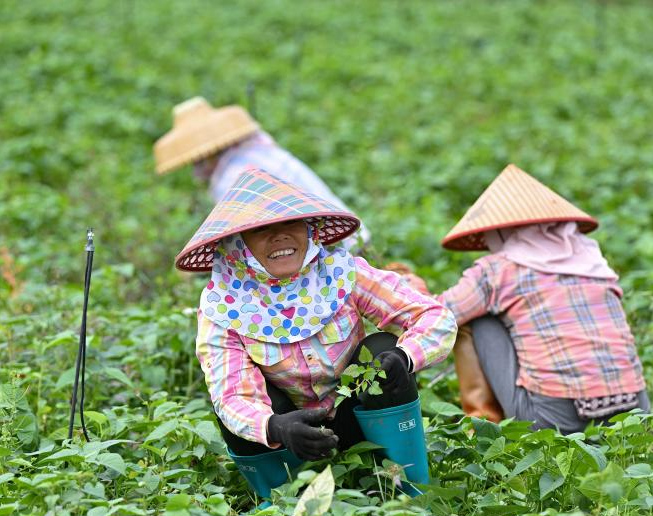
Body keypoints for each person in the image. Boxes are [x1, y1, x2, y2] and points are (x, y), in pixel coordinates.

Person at [176, 168, 455, 496]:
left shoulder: (341, 272)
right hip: (293, 435)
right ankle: (284, 501)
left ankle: (402, 486)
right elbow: (231, 393)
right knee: (237, 411)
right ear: (237, 244)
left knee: (383, 348)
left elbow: (434, 316)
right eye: (261, 229)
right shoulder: (223, 306)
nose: (280, 236)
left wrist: (405, 357)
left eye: (291, 223)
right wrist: (274, 426)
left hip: (356, 414)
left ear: (310, 230)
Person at [418, 164, 649, 432]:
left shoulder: (497, 271)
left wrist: (411, 286)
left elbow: (439, 315)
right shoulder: (594, 265)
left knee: (480, 321)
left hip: (553, 422)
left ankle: (484, 421)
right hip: (634, 417)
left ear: (502, 231)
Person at [155, 97, 369, 251]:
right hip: (350, 234)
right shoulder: (259, 151)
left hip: (328, 248)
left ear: (209, 155)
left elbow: (241, 233)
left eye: (199, 161)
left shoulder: (233, 177)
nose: (197, 169)